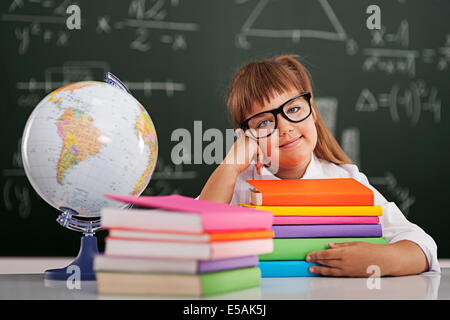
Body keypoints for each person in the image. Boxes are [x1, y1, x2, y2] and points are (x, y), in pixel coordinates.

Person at [198, 55, 440, 277]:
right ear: (246, 136)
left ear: (312, 110)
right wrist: (229, 166)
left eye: (293, 109)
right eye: (264, 123)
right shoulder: (237, 184)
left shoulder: (345, 180)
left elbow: (423, 246)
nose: (285, 128)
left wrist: (382, 259)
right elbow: (194, 240)